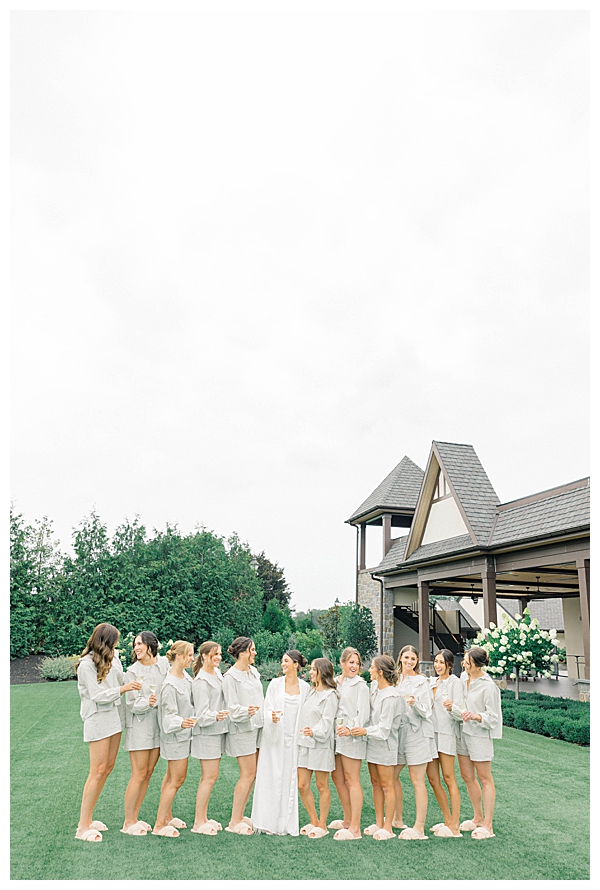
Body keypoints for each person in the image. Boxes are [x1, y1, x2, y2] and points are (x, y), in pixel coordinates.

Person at [75, 623, 142, 842]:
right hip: (98, 719)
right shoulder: (85, 665)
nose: (117, 645)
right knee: (97, 770)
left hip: (115, 718)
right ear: (105, 640)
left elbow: (123, 680)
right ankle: (82, 826)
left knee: (108, 768)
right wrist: (124, 689)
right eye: (115, 641)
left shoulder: (114, 659)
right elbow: (97, 696)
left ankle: (89, 818)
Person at [251, 650, 310, 835]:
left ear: (295, 664)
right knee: (272, 777)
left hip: (294, 741)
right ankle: (268, 821)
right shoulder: (275, 685)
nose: (282, 664)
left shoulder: (305, 687)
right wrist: (272, 717)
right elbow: (267, 708)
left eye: (286, 661)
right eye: (281, 661)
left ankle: (285, 823)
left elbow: (307, 713)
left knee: (289, 778)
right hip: (275, 739)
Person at [448, 646, 502, 840]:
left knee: (484, 777)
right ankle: (477, 818)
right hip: (463, 733)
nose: (464, 664)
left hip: (479, 735)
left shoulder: (489, 687)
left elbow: (493, 718)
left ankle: (488, 824)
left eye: (467, 662)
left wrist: (477, 717)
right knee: (467, 776)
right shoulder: (463, 678)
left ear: (478, 665)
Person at [351, 655, 407, 841]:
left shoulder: (392, 696)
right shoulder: (375, 688)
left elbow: (384, 729)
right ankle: (379, 822)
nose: (369, 670)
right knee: (375, 783)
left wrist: (363, 731)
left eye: (372, 668)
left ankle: (389, 827)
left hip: (385, 745)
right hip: (372, 744)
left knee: (387, 785)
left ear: (381, 672)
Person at [122, 631, 169, 836]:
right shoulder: (132, 671)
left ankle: (136, 817)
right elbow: (131, 703)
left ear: (151, 646)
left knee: (148, 773)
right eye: (134, 645)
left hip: (158, 726)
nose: (136, 648)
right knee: (139, 774)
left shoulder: (164, 665)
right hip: (140, 726)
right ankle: (128, 822)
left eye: (139, 644)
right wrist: (147, 703)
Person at [152, 640, 196, 838]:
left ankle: (167, 817)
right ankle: (159, 824)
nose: (192, 658)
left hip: (183, 736)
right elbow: (168, 717)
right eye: (189, 655)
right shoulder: (169, 684)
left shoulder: (186, 678)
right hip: (175, 738)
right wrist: (182, 723)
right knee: (177, 779)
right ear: (178, 656)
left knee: (171, 777)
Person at [222, 636, 264, 835]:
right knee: (247, 774)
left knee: (253, 774)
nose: (254, 653)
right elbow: (231, 707)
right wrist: (247, 711)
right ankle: (233, 821)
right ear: (242, 652)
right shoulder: (230, 677)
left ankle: (240, 816)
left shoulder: (253, 672)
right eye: (252, 650)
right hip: (241, 729)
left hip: (256, 727)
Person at [394, 644, 435, 840]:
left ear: (416, 661)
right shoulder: (394, 681)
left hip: (418, 734)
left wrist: (415, 704)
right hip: (398, 734)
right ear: (400, 658)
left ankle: (419, 827)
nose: (409, 661)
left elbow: (427, 711)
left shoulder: (421, 682)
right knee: (391, 776)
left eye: (413, 659)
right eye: (406, 657)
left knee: (417, 780)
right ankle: (397, 819)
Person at [329, 647, 370, 840]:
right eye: (351, 662)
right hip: (335, 736)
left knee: (352, 779)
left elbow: (363, 715)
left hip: (352, 736)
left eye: (357, 663)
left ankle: (355, 827)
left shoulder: (361, 685)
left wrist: (350, 729)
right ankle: (346, 819)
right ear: (342, 662)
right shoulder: (335, 682)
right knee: (337, 777)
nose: (354, 666)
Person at [190, 640, 229, 835]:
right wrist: (217, 715)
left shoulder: (218, 674)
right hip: (206, 734)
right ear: (204, 655)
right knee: (209, 777)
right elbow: (201, 715)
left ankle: (204, 817)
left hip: (217, 731)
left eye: (220, 654)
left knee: (212, 777)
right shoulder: (200, 681)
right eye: (215, 654)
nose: (218, 658)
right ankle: (198, 821)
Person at [297, 657, 338, 839]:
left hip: (321, 744)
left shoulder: (331, 696)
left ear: (322, 671)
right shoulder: (310, 692)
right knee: (302, 785)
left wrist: (313, 731)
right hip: (305, 744)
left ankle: (323, 824)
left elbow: (327, 724)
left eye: (314, 669)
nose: (310, 672)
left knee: (322, 785)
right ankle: (313, 820)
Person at [426, 649, 462, 837]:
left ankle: (455, 826)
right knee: (433, 779)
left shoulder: (455, 683)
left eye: (442, 662)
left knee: (449, 778)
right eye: (436, 662)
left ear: (449, 664)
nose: (438, 666)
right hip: (431, 734)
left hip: (446, 733)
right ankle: (447, 819)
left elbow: (461, 712)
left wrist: (452, 707)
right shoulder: (432, 682)